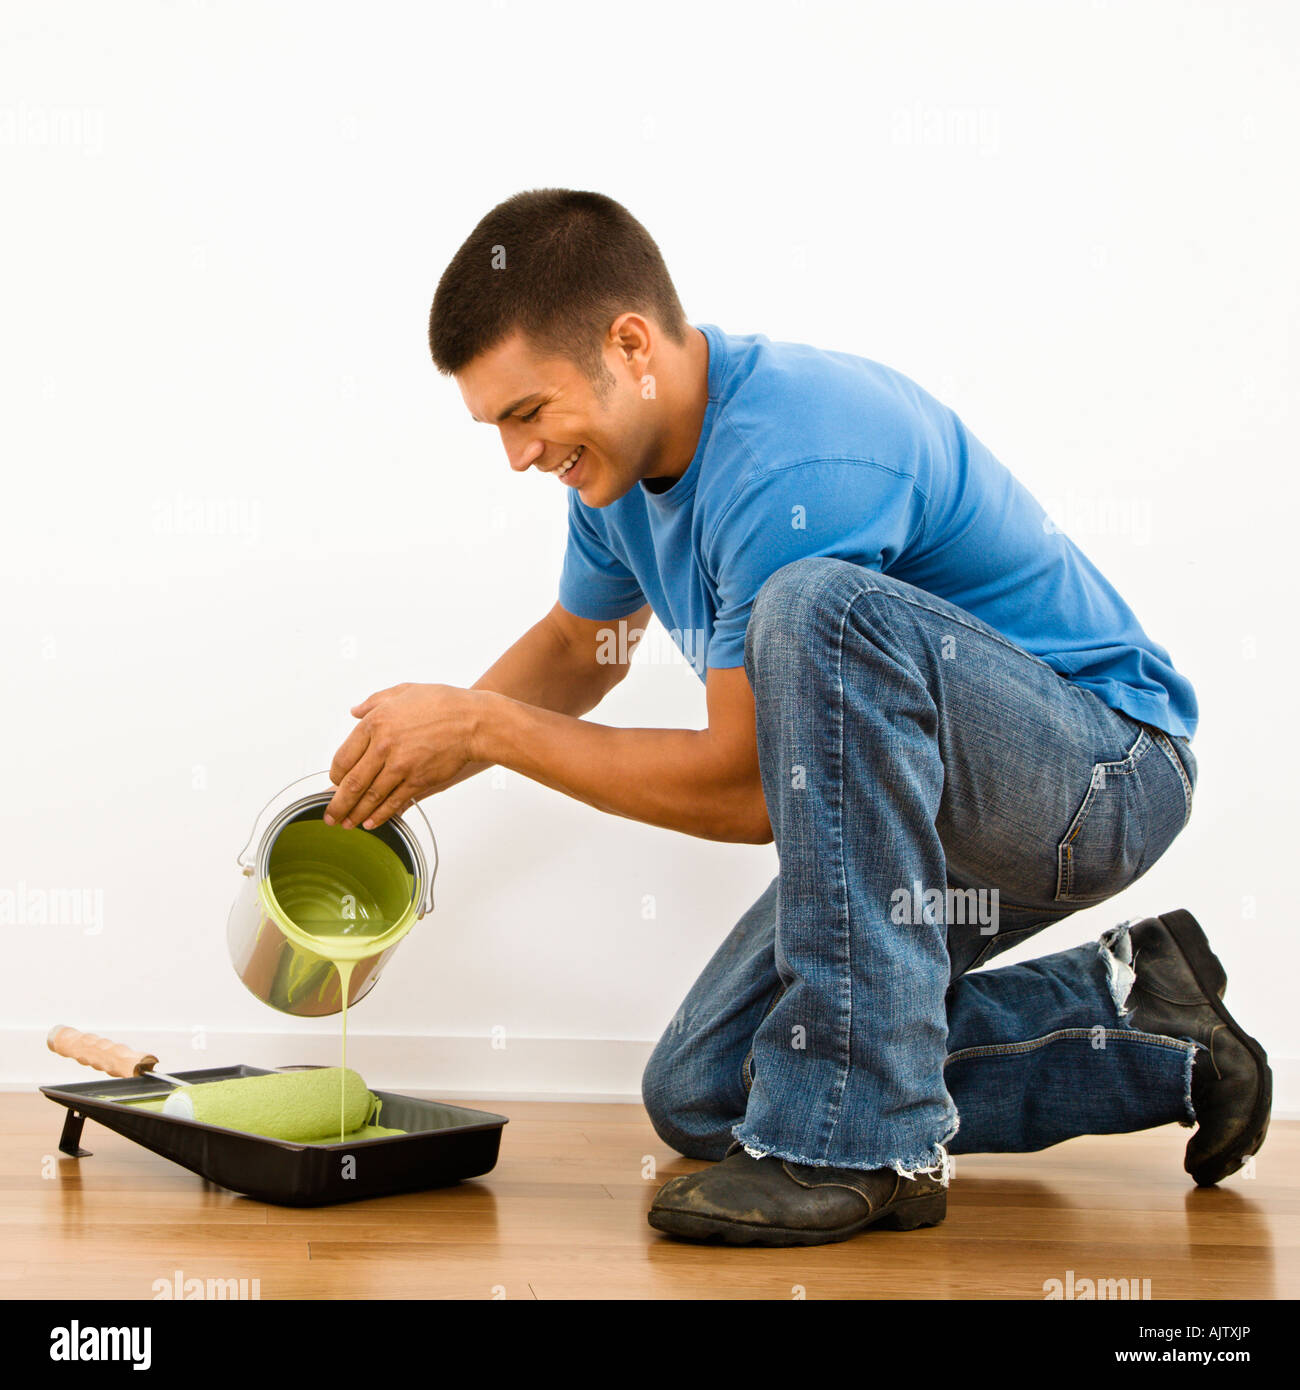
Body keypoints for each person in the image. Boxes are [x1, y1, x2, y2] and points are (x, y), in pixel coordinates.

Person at [323, 188, 1271, 1247]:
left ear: (628, 344)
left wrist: (486, 730)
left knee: (813, 609)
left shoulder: (794, 460)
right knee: (706, 1087)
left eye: (526, 413)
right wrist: (410, 760)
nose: (516, 454)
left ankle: (858, 1144)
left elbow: (747, 790)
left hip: (1101, 773)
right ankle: (1148, 1021)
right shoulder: (618, 476)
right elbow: (575, 650)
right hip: (926, 805)